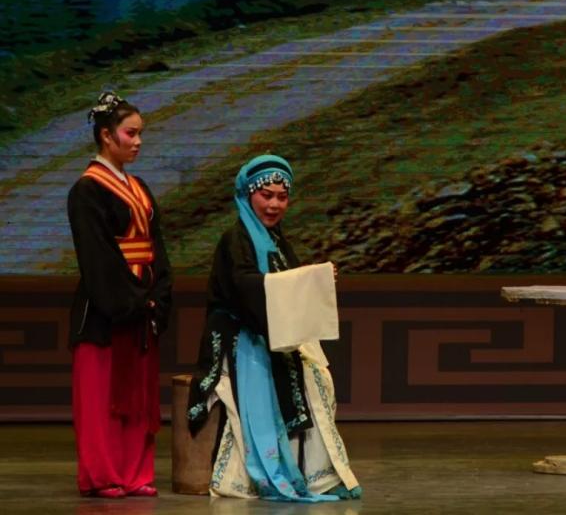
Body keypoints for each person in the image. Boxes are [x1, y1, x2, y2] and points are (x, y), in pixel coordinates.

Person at [187, 154, 361, 502]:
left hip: (275, 333)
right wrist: (302, 281)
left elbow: (287, 281)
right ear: (248, 195)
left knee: (319, 379)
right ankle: (263, 473)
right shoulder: (236, 240)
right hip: (244, 337)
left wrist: (314, 278)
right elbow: (245, 287)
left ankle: (312, 474)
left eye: (282, 197)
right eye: (266, 195)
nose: (274, 205)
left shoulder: (276, 239)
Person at [67, 91, 172, 498]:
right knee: (102, 397)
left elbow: (156, 246)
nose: (138, 141)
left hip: (141, 302)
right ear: (107, 136)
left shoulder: (139, 186)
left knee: (137, 397)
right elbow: (98, 256)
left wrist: (157, 293)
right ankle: (103, 474)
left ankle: (135, 473)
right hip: (107, 310)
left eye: (140, 133)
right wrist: (132, 300)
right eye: (131, 133)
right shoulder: (87, 190)